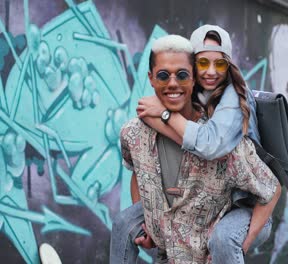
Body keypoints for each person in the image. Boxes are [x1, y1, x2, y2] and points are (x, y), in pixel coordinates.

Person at [110, 25, 276, 264]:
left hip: (245, 203)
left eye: (219, 64)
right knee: (124, 223)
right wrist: (150, 223)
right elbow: (138, 169)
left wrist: (164, 115)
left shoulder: (232, 100)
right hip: (198, 208)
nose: (211, 72)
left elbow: (209, 145)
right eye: (164, 75)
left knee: (223, 239)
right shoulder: (139, 130)